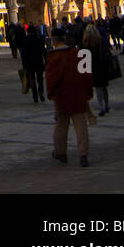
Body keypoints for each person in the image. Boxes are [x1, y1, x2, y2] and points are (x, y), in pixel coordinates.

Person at [46, 26, 93, 166]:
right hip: (78, 94)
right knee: (81, 125)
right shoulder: (78, 53)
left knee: (61, 125)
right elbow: (87, 74)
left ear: (54, 41)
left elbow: (51, 78)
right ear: (64, 39)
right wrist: (88, 92)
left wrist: (51, 94)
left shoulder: (53, 56)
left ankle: (61, 153)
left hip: (62, 95)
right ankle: (83, 154)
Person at [21, 25, 47, 103]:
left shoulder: (25, 40)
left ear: (27, 32)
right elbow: (44, 51)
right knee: (40, 78)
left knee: (32, 79)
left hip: (29, 63)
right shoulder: (38, 39)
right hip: (38, 62)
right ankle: (40, 91)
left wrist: (24, 65)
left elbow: (23, 54)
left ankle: (35, 96)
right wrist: (46, 61)